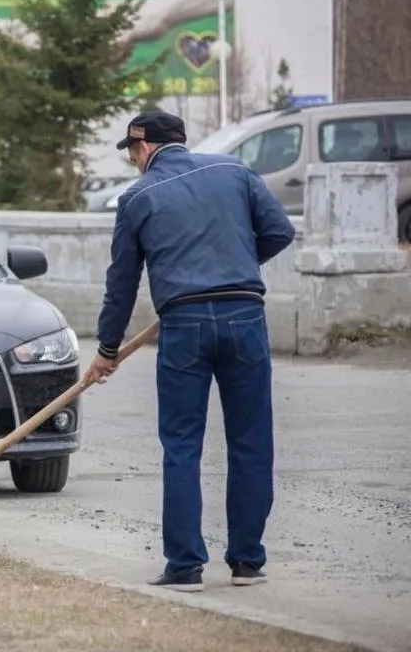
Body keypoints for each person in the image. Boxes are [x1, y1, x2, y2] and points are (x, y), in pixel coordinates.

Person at [83, 110, 296, 593]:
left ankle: (184, 567)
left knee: (182, 446)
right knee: (251, 441)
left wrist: (107, 350)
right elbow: (280, 231)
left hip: (185, 325)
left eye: (133, 152)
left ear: (143, 149)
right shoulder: (236, 172)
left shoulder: (137, 197)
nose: (134, 161)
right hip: (245, 316)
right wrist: (233, 266)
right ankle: (247, 562)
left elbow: (121, 283)